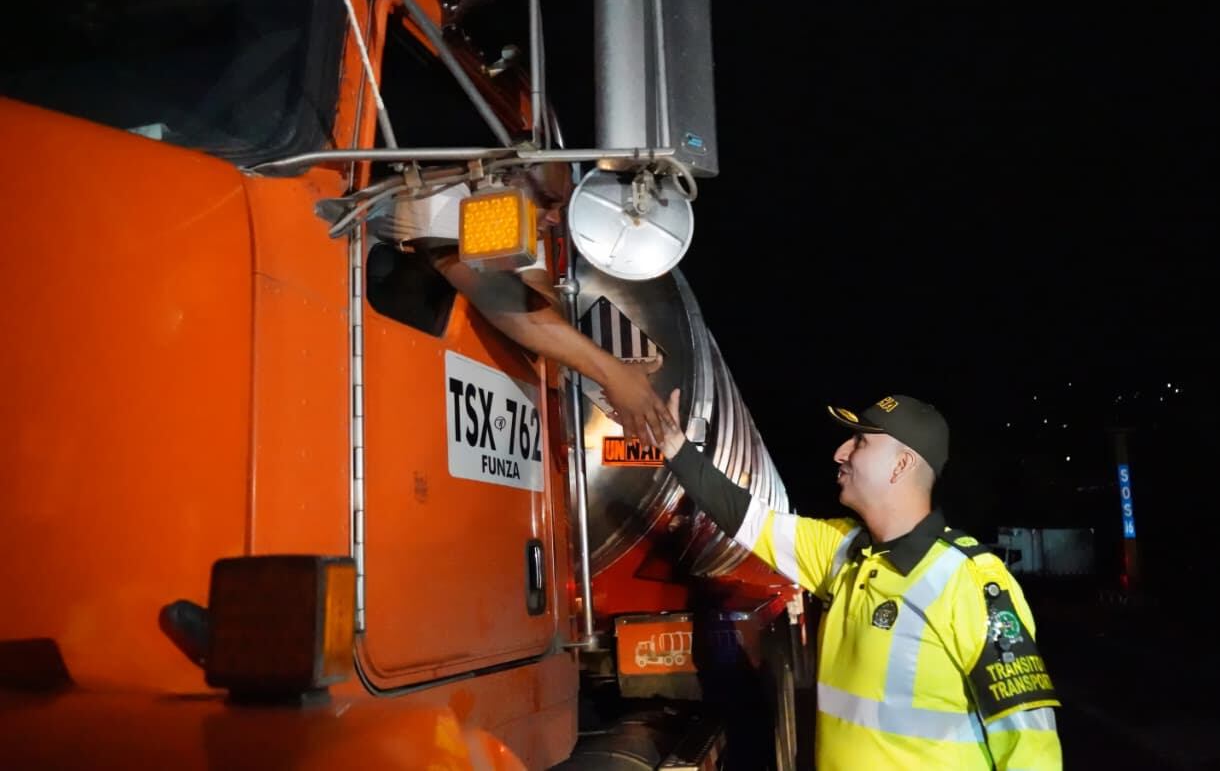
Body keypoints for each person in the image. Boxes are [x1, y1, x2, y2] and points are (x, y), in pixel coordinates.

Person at [651, 390, 1063, 770]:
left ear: (901, 464)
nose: (840, 453)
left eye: (861, 442)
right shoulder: (842, 550)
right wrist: (675, 448)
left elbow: (1031, 746)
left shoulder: (969, 581)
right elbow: (745, 517)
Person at [370, 160, 668, 441]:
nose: (554, 218)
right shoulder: (438, 194)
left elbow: (546, 307)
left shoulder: (514, 221)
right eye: (547, 201)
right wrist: (613, 375)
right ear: (500, 179)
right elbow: (507, 303)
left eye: (560, 208)